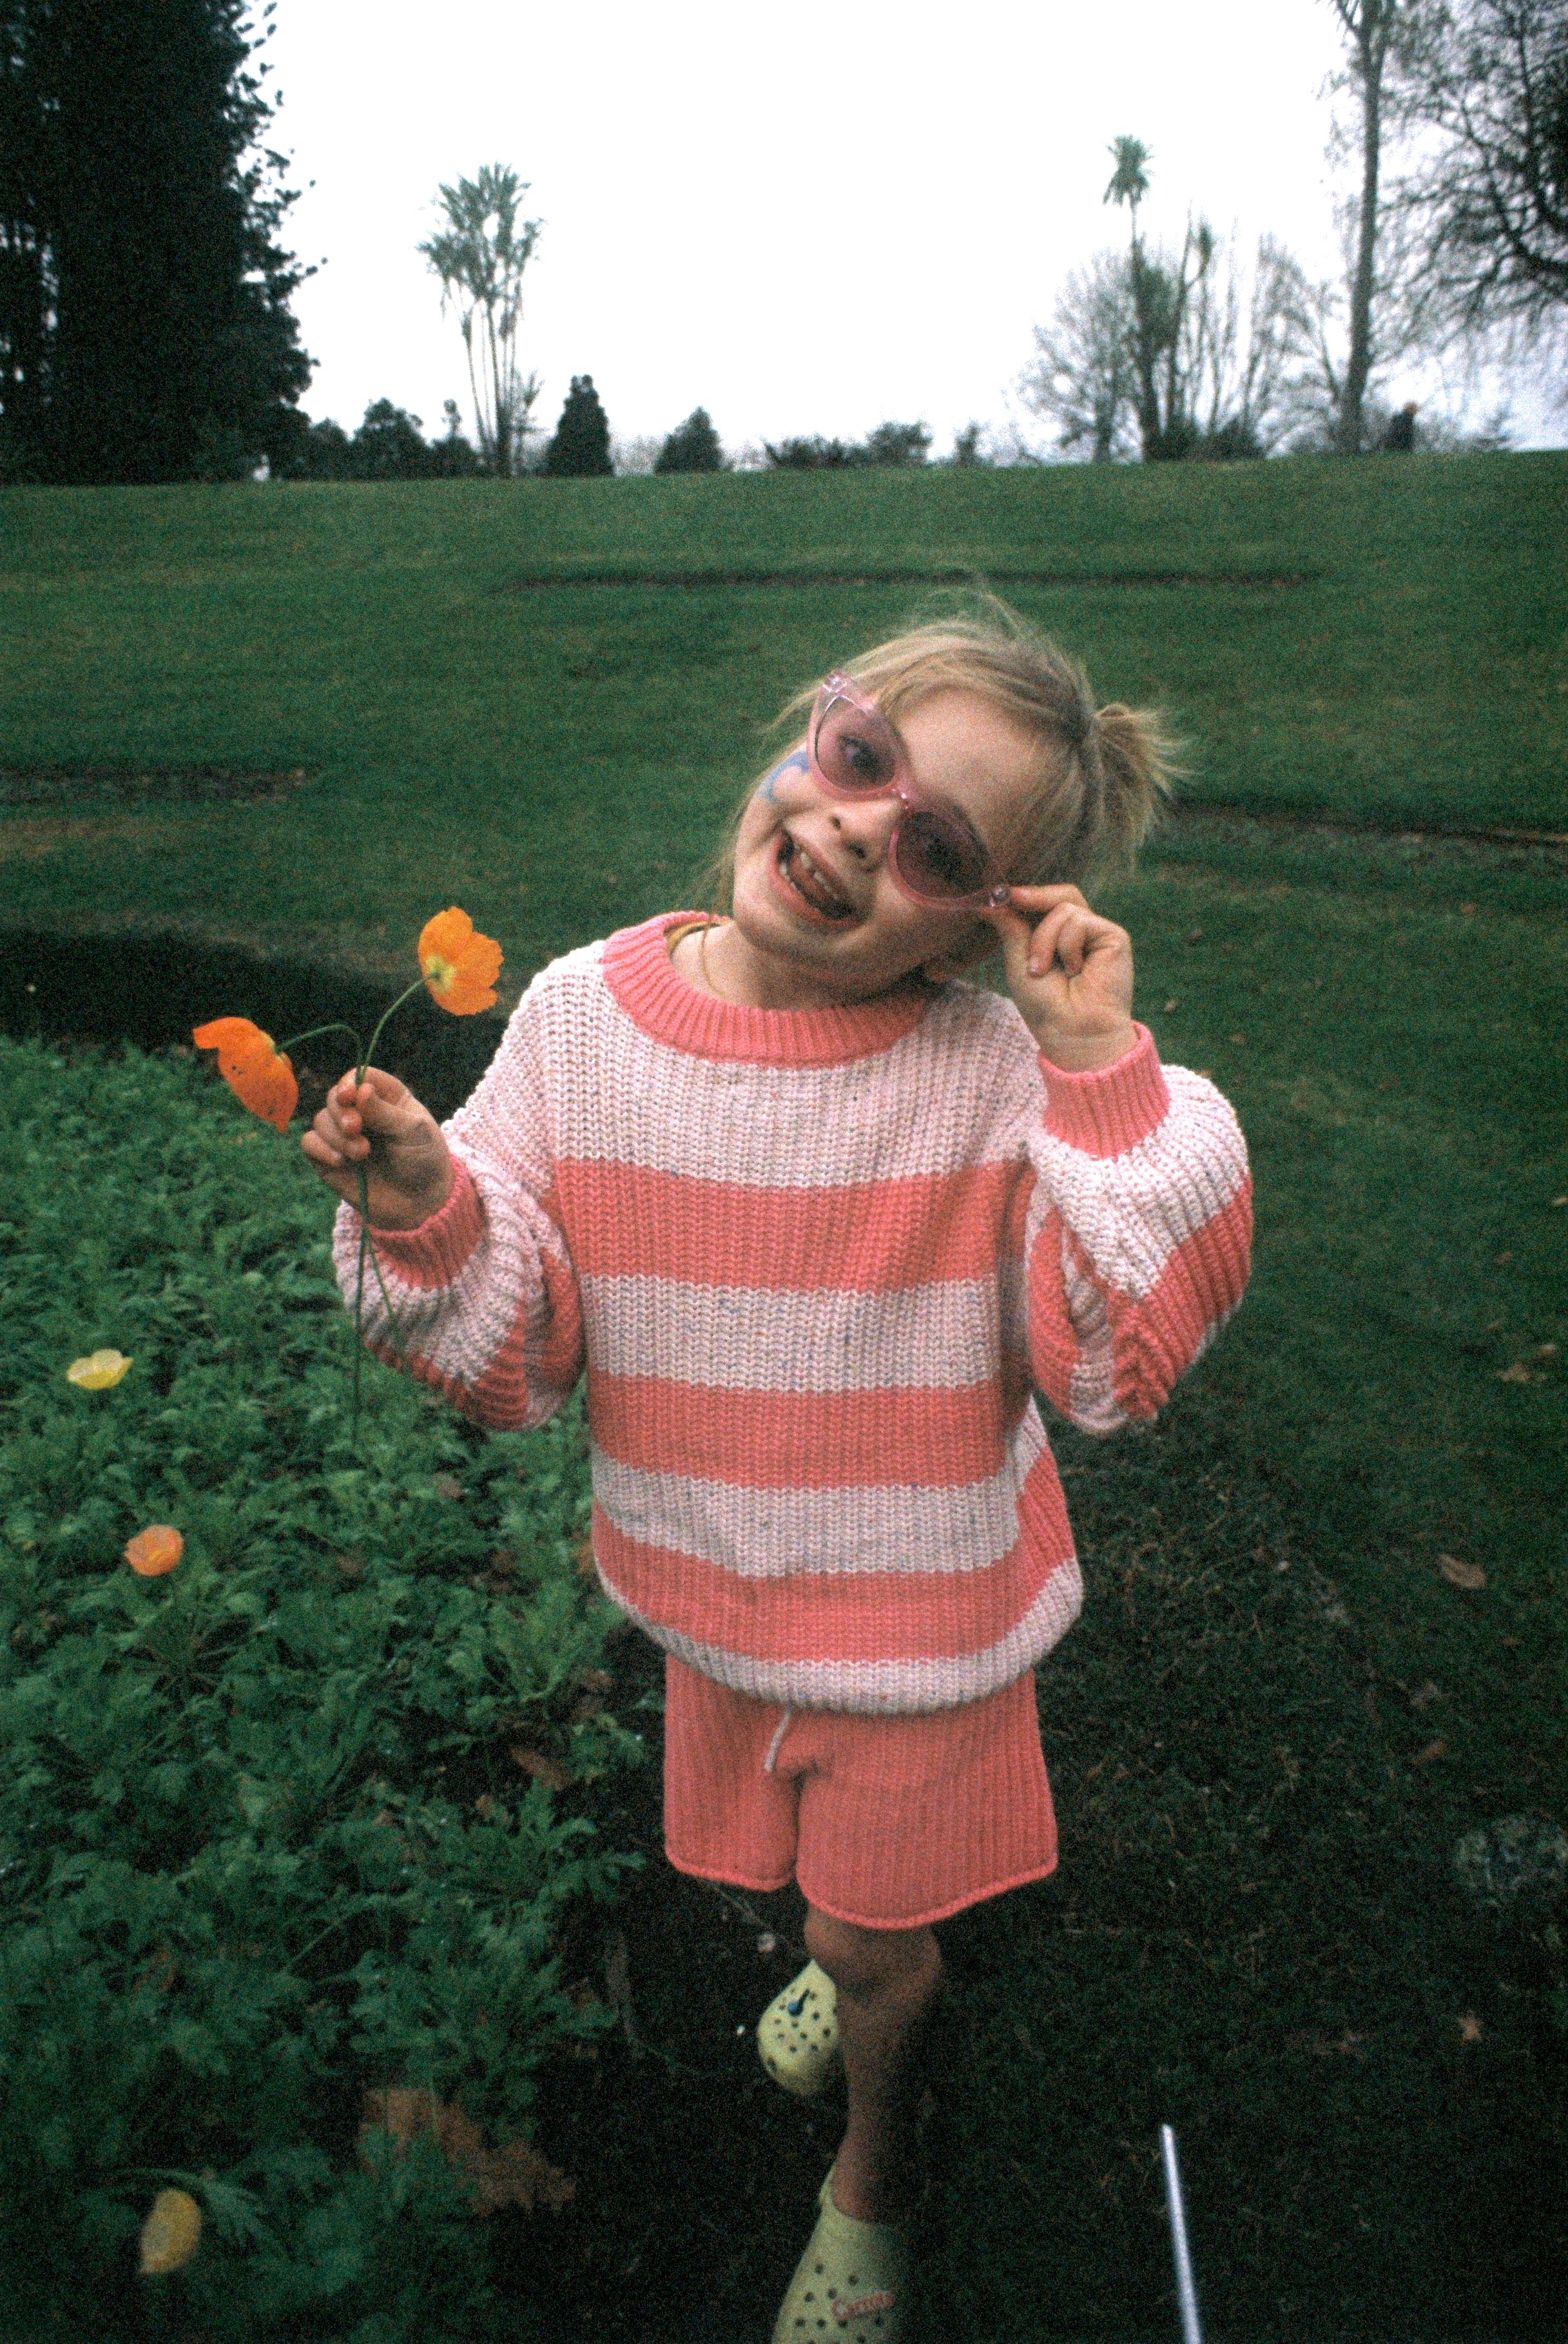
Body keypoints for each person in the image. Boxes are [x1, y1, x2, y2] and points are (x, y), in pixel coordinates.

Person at [302, 601, 1252, 2344]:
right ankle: (850, 1956)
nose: (855, 829)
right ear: (809, 729)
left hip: (922, 1639)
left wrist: (1099, 1073)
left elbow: (1113, 1363)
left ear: (981, 923)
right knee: (798, 1897)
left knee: (872, 1944)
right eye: (857, 757)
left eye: (935, 848)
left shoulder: (987, 1080)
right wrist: (432, 1213)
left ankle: (873, 2172)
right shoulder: (582, 1020)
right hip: (715, 1607)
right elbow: (523, 1347)